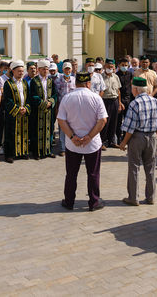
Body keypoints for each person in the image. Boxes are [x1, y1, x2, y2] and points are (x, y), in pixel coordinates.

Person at [56, 72, 108, 212]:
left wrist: (73, 137)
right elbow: (102, 120)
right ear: (88, 83)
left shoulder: (67, 98)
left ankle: (69, 201)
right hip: (92, 143)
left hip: (73, 144)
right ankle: (94, 201)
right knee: (93, 174)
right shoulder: (96, 98)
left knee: (71, 174)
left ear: (75, 83)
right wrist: (89, 136)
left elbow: (61, 120)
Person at [118, 77, 157, 206]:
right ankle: (150, 197)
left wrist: (123, 142)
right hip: (151, 137)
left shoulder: (135, 103)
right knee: (150, 168)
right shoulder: (154, 101)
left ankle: (133, 198)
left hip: (137, 137)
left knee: (134, 168)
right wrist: (154, 135)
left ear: (135, 89)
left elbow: (130, 127)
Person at [28, 59, 58, 159]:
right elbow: (33, 96)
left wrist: (51, 102)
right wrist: (43, 103)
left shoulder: (50, 81)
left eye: (47, 69)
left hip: (49, 110)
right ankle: (37, 152)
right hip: (38, 110)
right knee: (37, 131)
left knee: (49, 130)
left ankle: (48, 150)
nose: (45, 71)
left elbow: (55, 94)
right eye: (43, 69)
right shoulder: (34, 81)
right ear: (39, 69)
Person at [2, 60, 31, 163]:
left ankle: (22, 152)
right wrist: (18, 109)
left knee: (23, 133)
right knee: (11, 134)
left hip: (23, 113)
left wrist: (26, 108)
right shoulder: (8, 84)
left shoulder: (24, 83)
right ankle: (10, 155)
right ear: (13, 71)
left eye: (22, 71)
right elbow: (7, 100)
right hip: (13, 113)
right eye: (19, 71)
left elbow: (28, 97)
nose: (21, 73)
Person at [100, 58, 123, 149]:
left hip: (114, 101)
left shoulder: (115, 77)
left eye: (112, 67)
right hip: (105, 101)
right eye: (108, 66)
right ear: (105, 66)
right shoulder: (100, 77)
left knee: (114, 122)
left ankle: (112, 141)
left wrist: (120, 103)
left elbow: (118, 91)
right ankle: (102, 142)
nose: (110, 68)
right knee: (105, 123)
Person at [54, 62, 75, 156]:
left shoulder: (74, 80)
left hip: (73, 108)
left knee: (72, 127)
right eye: (66, 69)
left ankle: (72, 147)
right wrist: (57, 109)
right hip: (62, 108)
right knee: (62, 128)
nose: (68, 70)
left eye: (69, 69)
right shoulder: (58, 81)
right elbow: (56, 96)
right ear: (63, 70)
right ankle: (63, 148)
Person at [116, 58, 133, 147]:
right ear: (119, 65)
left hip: (129, 100)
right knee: (119, 121)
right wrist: (119, 103)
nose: (124, 67)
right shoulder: (116, 75)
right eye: (122, 65)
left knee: (128, 121)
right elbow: (117, 90)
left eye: (126, 65)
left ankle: (125, 138)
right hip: (120, 100)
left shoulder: (130, 74)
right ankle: (118, 139)